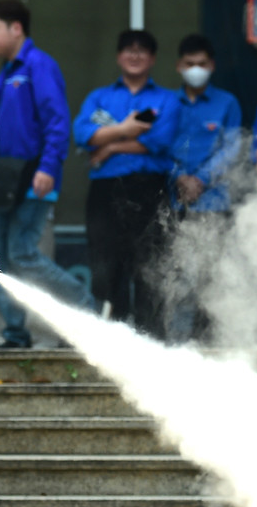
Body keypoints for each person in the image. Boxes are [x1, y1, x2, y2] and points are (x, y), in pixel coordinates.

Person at [0, 0, 92, 348]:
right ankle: (14, 333)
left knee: (24, 254)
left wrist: (48, 167)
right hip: (4, 182)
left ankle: (86, 307)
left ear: (16, 28)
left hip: (33, 180)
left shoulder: (39, 65)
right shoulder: (6, 73)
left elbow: (58, 122)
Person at [72, 28, 178, 338]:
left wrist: (110, 145)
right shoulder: (100, 97)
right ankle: (110, 339)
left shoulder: (166, 99)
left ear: (153, 59)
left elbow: (162, 140)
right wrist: (130, 128)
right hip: (106, 191)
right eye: (128, 50)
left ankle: (152, 339)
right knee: (106, 265)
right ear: (119, 57)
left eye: (142, 50)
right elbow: (81, 134)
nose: (135, 55)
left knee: (151, 267)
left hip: (151, 189)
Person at [166, 33, 242, 343]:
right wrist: (180, 177)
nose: (196, 68)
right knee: (180, 279)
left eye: (201, 63)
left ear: (211, 65)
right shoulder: (168, 103)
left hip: (215, 204)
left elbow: (233, 147)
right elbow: (161, 146)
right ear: (178, 66)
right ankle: (181, 346)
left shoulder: (227, 103)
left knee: (214, 281)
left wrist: (201, 180)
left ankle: (215, 346)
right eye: (189, 64)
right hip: (176, 205)